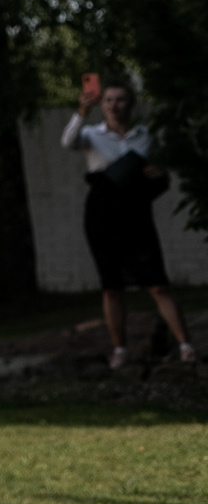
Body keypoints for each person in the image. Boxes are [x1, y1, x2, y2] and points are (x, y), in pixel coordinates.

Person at [63, 79, 196, 368]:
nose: (114, 105)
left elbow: (156, 176)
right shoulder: (91, 134)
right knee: (112, 286)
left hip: (135, 213)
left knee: (158, 284)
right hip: (102, 214)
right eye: (108, 100)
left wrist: (159, 173)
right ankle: (119, 350)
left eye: (120, 99)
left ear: (131, 104)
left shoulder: (145, 137)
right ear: (102, 103)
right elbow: (68, 142)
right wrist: (81, 111)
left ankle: (186, 345)